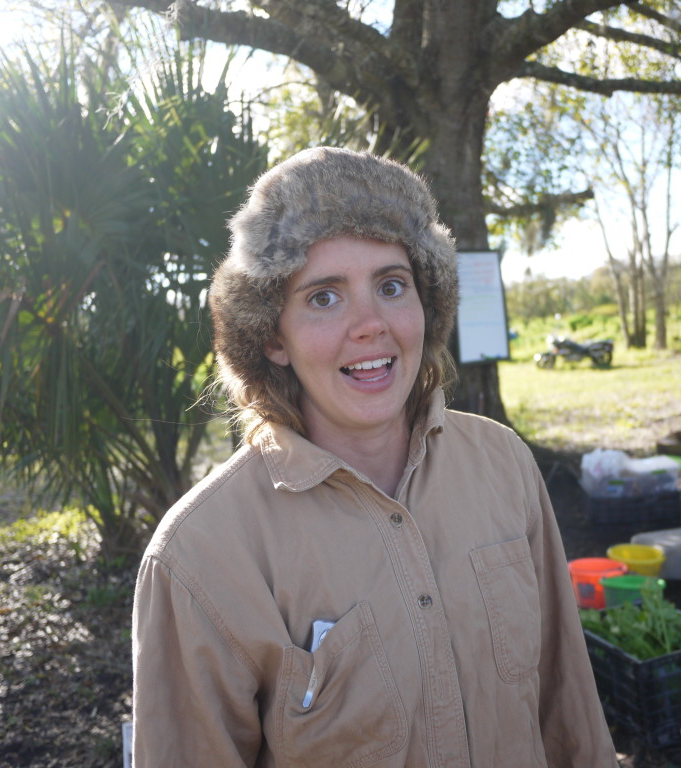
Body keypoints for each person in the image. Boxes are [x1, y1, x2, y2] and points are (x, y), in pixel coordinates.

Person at [131, 146, 619, 767]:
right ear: (273, 338)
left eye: (392, 286)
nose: (370, 325)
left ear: (427, 307)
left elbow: (567, 706)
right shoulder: (201, 555)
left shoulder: (502, 465)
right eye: (324, 298)